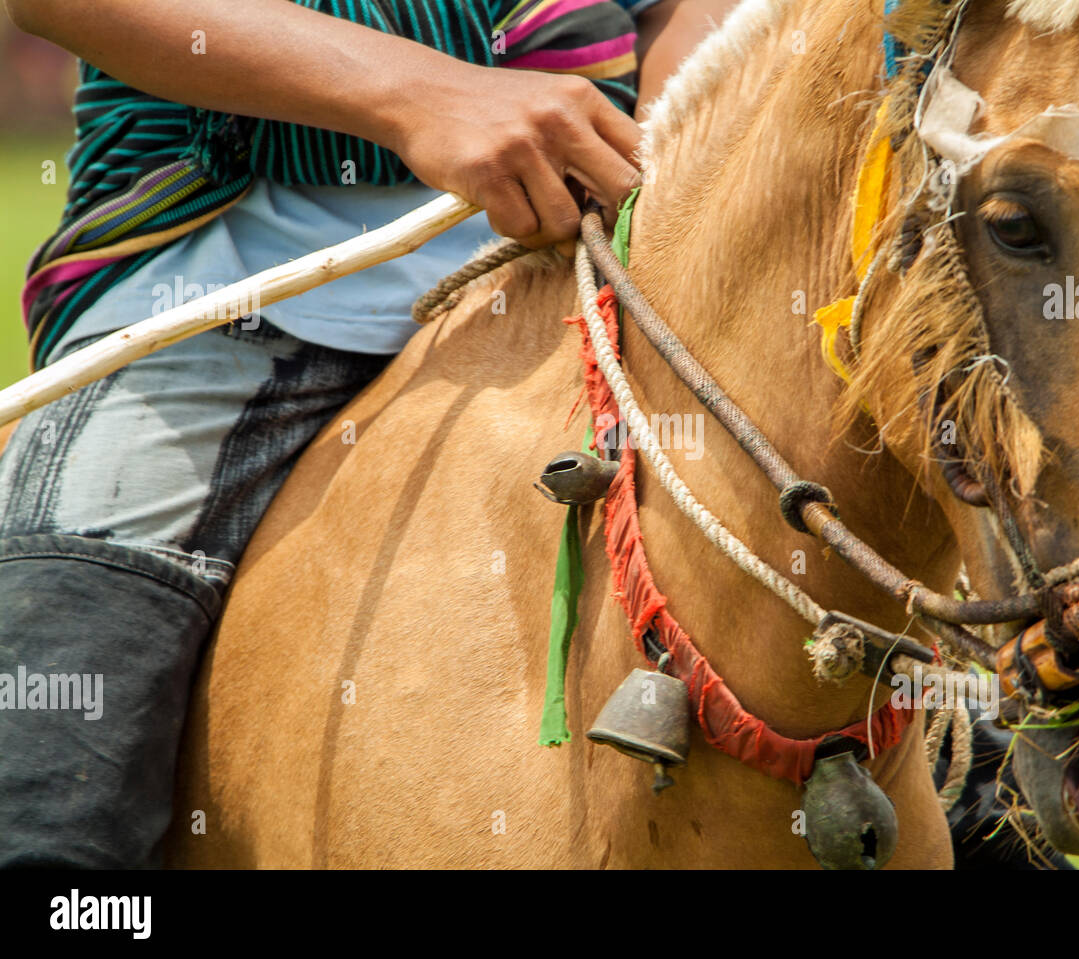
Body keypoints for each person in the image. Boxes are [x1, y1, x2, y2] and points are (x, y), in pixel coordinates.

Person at [0, 0, 739, 868]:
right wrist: (423, 96)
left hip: (606, 253)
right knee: (48, 785)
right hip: (214, 282)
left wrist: (664, 142)